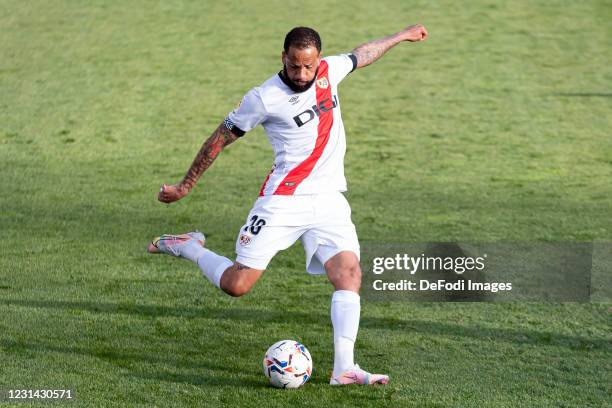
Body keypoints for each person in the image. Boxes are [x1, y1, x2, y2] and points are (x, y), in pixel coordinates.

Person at [148, 24, 428, 385]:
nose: (301, 74)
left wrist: (400, 36)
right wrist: (186, 185)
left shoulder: (330, 71)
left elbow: (363, 53)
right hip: (282, 202)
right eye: (294, 66)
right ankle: (188, 247)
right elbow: (219, 138)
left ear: (317, 60)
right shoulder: (264, 97)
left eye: (308, 67)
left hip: (329, 200)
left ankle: (344, 367)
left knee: (349, 275)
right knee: (237, 285)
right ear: (284, 58)